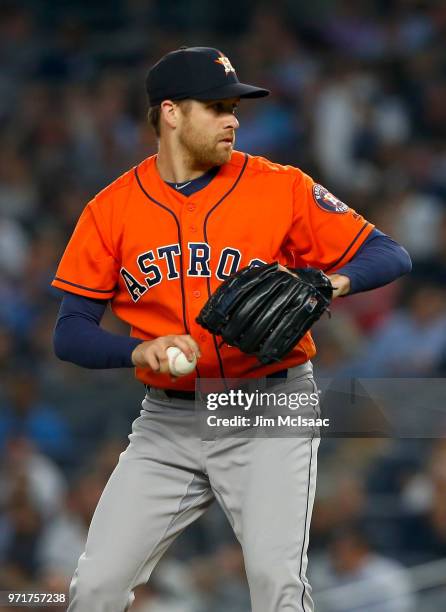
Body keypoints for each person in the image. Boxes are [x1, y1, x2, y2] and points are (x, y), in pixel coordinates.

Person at [52, 46, 411, 612]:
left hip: (268, 406)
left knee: (276, 586)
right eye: (216, 107)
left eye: (234, 107)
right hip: (168, 419)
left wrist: (327, 284)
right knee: (93, 589)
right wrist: (140, 349)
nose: (233, 119)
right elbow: (69, 332)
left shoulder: (280, 186)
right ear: (171, 113)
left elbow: (389, 254)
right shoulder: (110, 209)